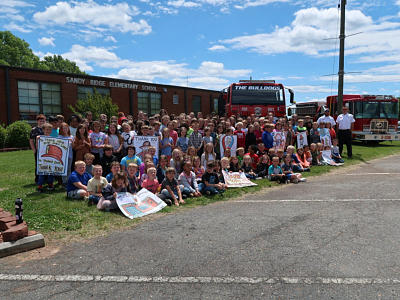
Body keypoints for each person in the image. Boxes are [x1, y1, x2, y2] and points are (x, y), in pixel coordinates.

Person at [36, 122, 55, 192]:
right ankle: (40, 186)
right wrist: (37, 140)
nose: (48, 131)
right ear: (43, 130)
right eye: (47, 129)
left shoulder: (53, 139)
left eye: (50, 130)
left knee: (51, 171)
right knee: (42, 172)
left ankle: (50, 184)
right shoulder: (40, 138)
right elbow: (37, 147)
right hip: (43, 158)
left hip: (51, 157)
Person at [30, 114, 46, 183]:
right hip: (38, 150)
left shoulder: (46, 129)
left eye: (43, 121)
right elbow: (31, 140)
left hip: (46, 150)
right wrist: (34, 149)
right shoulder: (34, 130)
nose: (42, 122)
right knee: (38, 164)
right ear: (37, 121)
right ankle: (37, 179)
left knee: (46, 164)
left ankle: (45, 179)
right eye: (40, 121)